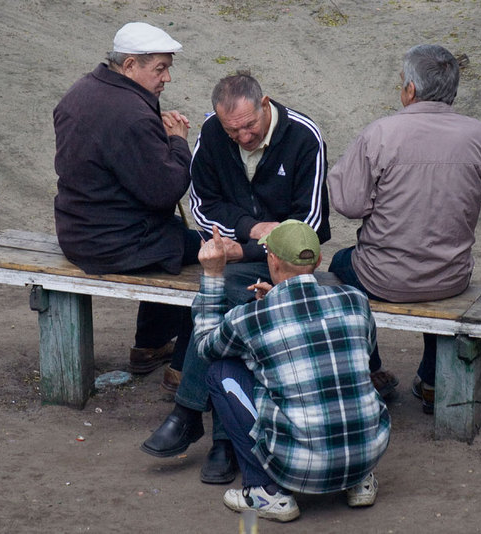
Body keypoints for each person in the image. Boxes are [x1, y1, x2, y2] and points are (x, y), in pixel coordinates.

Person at [143, 71, 367, 485]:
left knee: (229, 294)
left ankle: (194, 415)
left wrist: (245, 246)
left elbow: (311, 224)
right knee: (235, 294)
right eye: (233, 130)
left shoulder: (304, 136)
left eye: (249, 126)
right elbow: (204, 206)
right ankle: (222, 439)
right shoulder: (212, 133)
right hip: (240, 249)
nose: (243, 137)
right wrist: (251, 228)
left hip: (294, 258)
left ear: (265, 104)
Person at [327, 44, 481, 415]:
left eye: (402, 83)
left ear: (411, 90)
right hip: (452, 275)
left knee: (340, 263)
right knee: (434, 275)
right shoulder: (478, 134)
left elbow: (350, 205)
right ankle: (433, 380)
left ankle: (369, 371)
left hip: (384, 278)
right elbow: (478, 194)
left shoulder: (381, 133)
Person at [194, 220, 391, 522]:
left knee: (221, 372)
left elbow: (206, 345)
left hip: (300, 466)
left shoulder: (252, 318)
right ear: (319, 260)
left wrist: (212, 274)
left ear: (271, 258)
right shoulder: (355, 300)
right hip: (368, 452)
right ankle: (358, 480)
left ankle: (265, 491)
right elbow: (362, 352)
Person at [53, 22, 205, 389]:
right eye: (160, 68)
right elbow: (165, 190)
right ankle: (183, 368)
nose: (167, 77)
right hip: (113, 243)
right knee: (213, 256)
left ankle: (150, 346)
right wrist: (178, 142)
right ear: (130, 65)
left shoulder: (80, 92)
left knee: (175, 238)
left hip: (76, 231)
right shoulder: (131, 115)